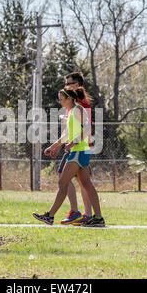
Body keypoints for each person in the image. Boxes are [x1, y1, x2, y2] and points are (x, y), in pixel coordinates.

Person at [32, 87, 105, 227]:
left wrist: (73, 142)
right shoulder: (71, 112)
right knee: (86, 184)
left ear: (69, 99)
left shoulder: (78, 110)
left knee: (62, 182)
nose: (60, 102)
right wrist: (53, 147)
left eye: (61, 99)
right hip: (79, 151)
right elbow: (65, 135)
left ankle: (50, 216)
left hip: (79, 151)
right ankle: (99, 218)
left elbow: (89, 129)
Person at [52, 72, 94, 225]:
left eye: (69, 83)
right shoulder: (73, 102)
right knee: (83, 181)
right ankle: (87, 215)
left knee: (73, 179)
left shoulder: (80, 103)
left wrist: (72, 142)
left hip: (79, 147)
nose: (66, 85)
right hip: (76, 145)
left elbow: (86, 126)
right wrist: (58, 144)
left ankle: (80, 213)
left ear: (77, 85)